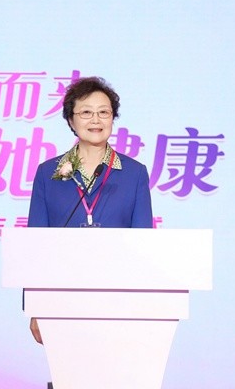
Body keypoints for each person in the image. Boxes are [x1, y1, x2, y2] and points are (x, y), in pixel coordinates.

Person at [27, 76, 153, 343]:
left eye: (104, 112)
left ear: (113, 118)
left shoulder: (135, 173)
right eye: (86, 112)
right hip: (62, 300)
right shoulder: (47, 173)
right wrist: (36, 307)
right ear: (71, 121)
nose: (96, 120)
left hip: (119, 299)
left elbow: (144, 242)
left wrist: (143, 305)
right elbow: (35, 245)